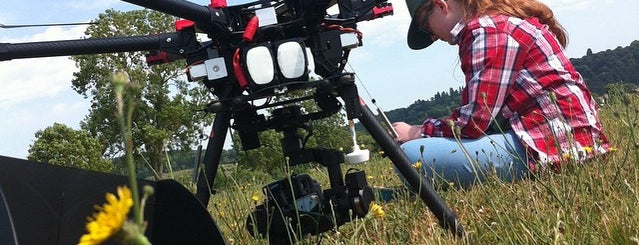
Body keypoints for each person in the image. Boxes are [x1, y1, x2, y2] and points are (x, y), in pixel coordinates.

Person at [393, 0, 610, 188]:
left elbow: (473, 122)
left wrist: (417, 131)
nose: (431, 35)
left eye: (424, 24)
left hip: (552, 144)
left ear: (441, 5)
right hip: (570, 140)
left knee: (408, 157)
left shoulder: (486, 30)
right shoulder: (497, 22)